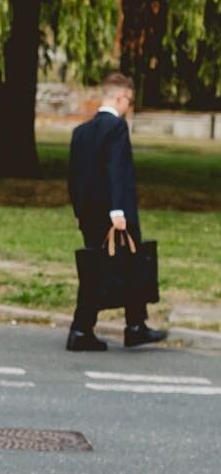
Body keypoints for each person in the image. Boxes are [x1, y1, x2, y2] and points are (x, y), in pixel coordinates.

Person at [66, 70, 166, 352]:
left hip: (89, 215)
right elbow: (117, 171)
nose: (128, 107)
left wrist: (80, 212)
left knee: (108, 269)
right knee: (124, 267)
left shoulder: (81, 133)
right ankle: (87, 329)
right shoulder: (117, 128)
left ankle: (133, 325)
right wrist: (118, 212)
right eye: (129, 101)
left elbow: (75, 178)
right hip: (115, 215)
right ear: (120, 97)